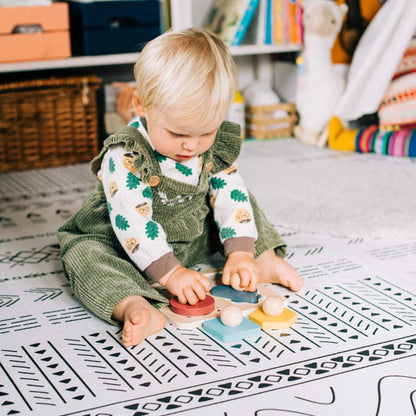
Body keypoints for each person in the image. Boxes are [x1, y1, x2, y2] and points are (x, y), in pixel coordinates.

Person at [57, 28, 303, 348]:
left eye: (206, 132)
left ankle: (262, 257)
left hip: (190, 235)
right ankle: (134, 304)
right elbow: (133, 220)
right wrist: (172, 275)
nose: (191, 146)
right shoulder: (126, 154)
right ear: (141, 105)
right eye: (177, 133)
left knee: (239, 197)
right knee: (85, 256)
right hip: (125, 239)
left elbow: (231, 195)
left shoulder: (208, 148)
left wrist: (240, 251)